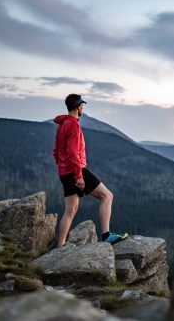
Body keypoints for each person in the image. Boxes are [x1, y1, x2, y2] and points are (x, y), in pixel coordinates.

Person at [52, 93, 128, 247]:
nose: (83, 108)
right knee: (107, 196)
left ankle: (59, 247)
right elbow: (73, 152)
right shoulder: (73, 125)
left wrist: (62, 165)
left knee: (70, 210)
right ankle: (106, 235)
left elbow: (56, 151)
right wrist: (79, 175)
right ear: (78, 107)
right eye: (82, 105)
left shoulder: (62, 125)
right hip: (76, 170)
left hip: (65, 172)